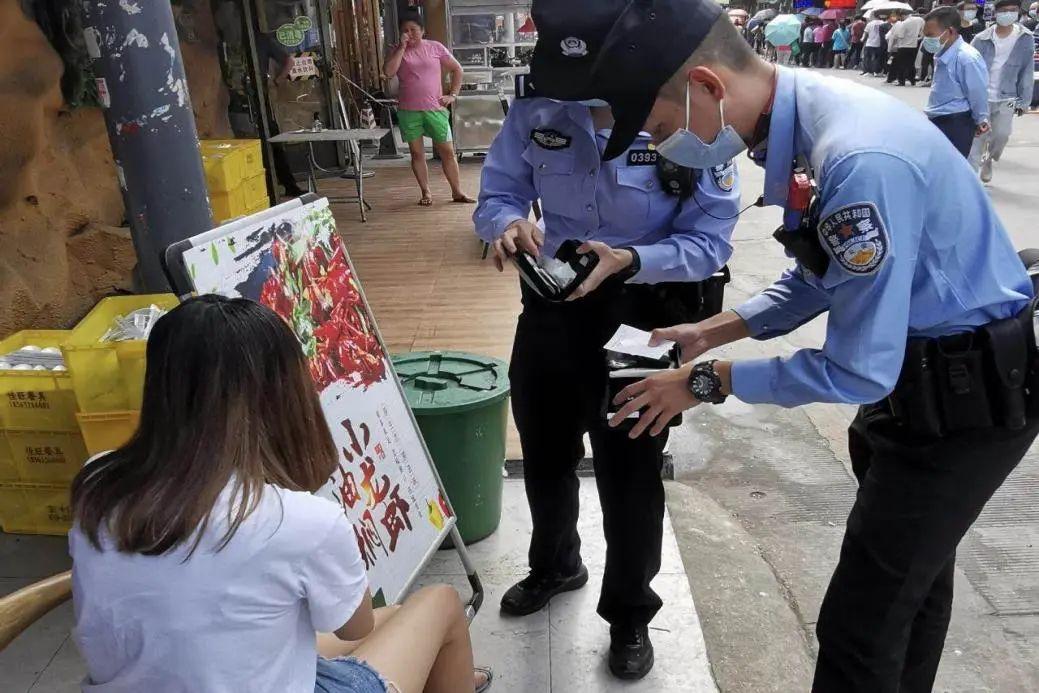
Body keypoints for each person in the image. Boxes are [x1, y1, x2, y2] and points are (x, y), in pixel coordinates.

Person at [528, 0, 1039, 690]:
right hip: (922, 390)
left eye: (661, 126)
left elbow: (858, 367)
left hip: (961, 404)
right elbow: (820, 272)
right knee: (908, 597)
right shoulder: (814, 119)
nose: (667, 145)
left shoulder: (858, 159)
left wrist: (705, 382)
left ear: (706, 87)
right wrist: (710, 329)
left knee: (859, 629)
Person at [473, 8, 740, 678]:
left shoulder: (679, 122)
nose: (570, 96)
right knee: (544, 449)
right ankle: (555, 564)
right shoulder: (537, 111)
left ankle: (628, 613)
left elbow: (709, 243)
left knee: (628, 470)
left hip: (643, 315)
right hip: (553, 303)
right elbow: (498, 191)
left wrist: (628, 258)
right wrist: (506, 225)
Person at [69, 296, 492, 693]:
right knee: (441, 604)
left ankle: (450, 672)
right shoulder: (301, 521)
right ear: (282, 396)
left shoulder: (97, 479)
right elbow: (355, 626)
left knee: (399, 620)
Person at [383, 13, 475, 207]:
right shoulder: (396, 50)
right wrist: (402, 47)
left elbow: (457, 69)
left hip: (436, 108)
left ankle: (457, 192)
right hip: (409, 110)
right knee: (417, 154)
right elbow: (389, 72)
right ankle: (425, 191)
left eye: (413, 30)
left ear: (423, 31)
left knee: (448, 152)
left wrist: (453, 95)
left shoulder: (435, 47)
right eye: (405, 31)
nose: (409, 34)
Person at [969, 0, 1036, 181]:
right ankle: (971, 180)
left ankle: (989, 159)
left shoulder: (1025, 37)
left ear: (1018, 13)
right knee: (977, 138)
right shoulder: (981, 38)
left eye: (1012, 10)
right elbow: (969, 67)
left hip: (1007, 96)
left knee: (1002, 135)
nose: (1008, 14)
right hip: (981, 96)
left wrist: (1025, 101)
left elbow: (1026, 71)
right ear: (996, 13)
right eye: (1004, 10)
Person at [923, 7, 991, 156]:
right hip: (937, 117)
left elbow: (977, 91)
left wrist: (981, 119)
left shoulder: (966, 58)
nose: (926, 40)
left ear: (950, 31)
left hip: (955, 122)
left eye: (930, 35)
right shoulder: (942, 52)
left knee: (951, 169)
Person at [888, 10, 925, 85]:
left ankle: (901, 81)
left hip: (903, 46)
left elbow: (900, 36)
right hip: (914, 46)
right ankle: (912, 80)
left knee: (901, 64)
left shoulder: (904, 23)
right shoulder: (919, 20)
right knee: (911, 64)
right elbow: (922, 30)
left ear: (903, 15)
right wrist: (918, 38)